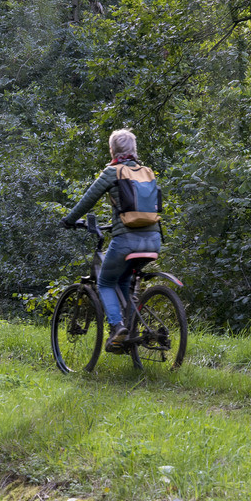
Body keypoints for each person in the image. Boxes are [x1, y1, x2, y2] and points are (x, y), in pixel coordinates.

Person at [61, 128, 162, 352]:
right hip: (154, 240)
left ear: (112, 150)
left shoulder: (112, 172)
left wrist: (69, 220)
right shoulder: (147, 172)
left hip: (126, 240)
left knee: (106, 282)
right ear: (134, 150)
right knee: (123, 281)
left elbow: (88, 199)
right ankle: (128, 335)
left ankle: (117, 328)